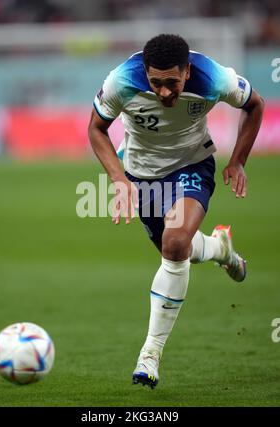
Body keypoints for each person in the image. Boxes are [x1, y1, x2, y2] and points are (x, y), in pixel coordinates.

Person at [88, 34, 264, 389]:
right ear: (146, 73)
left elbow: (254, 105)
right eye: (156, 83)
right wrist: (119, 180)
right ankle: (219, 249)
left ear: (187, 72)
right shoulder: (121, 81)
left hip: (191, 166)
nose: (164, 92)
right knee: (180, 249)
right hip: (141, 174)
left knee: (174, 243)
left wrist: (239, 161)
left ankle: (150, 354)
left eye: (172, 83)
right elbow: (96, 128)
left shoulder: (214, 78)